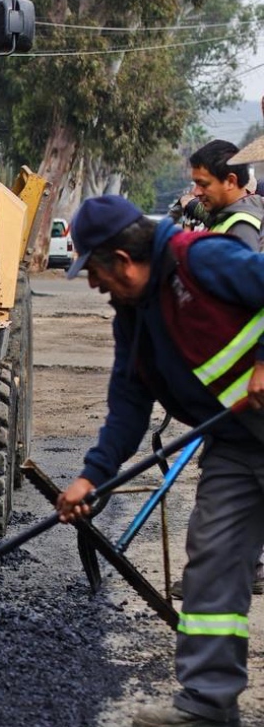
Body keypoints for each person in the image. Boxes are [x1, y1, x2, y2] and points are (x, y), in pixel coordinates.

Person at [56, 195, 264, 727]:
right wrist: (90, 477)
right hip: (239, 445)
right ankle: (206, 707)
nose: (94, 286)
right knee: (212, 562)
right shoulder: (134, 315)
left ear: (124, 261)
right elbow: (128, 406)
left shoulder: (202, 260)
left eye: (96, 272)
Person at [167, 140, 264, 600]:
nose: (195, 190)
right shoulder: (232, 217)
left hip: (252, 385)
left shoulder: (243, 226)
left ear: (233, 182)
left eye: (203, 183)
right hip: (234, 390)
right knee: (232, 473)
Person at [168, 140, 264, 247]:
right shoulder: (222, 218)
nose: (196, 192)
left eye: (203, 184)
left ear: (231, 182)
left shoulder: (242, 228)